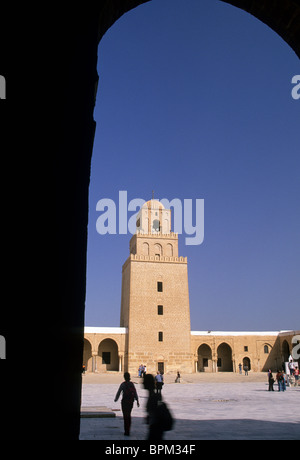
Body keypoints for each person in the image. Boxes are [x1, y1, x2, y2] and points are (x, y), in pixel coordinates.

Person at [114, 372, 140, 436]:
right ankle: (128, 429)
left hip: (124, 402)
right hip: (131, 402)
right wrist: (137, 400)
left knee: (125, 416)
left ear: (124, 377)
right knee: (129, 415)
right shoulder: (132, 384)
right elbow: (135, 392)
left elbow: (119, 392)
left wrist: (116, 399)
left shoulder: (123, 384)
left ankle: (126, 430)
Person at [143, 374, 164, 441]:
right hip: (155, 429)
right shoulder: (152, 395)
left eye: (144, 381)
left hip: (155, 430)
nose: (142, 383)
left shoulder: (153, 396)